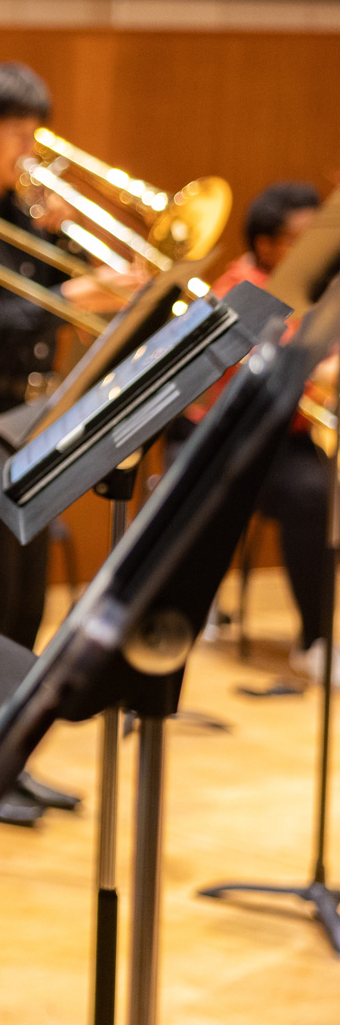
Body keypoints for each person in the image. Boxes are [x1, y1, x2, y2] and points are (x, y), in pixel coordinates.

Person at [0, 60, 139, 826]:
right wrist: (65, 294)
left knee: (26, 606)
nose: (31, 144)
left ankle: (7, 764)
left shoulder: (21, 210)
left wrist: (62, 250)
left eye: (36, 126)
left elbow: (77, 292)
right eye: (16, 129)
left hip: (41, 422)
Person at [185, 181, 335, 682]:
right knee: (314, 496)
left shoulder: (322, 292)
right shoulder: (239, 291)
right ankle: (316, 639)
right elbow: (254, 375)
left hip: (289, 435)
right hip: (232, 439)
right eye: (302, 239)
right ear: (267, 245)